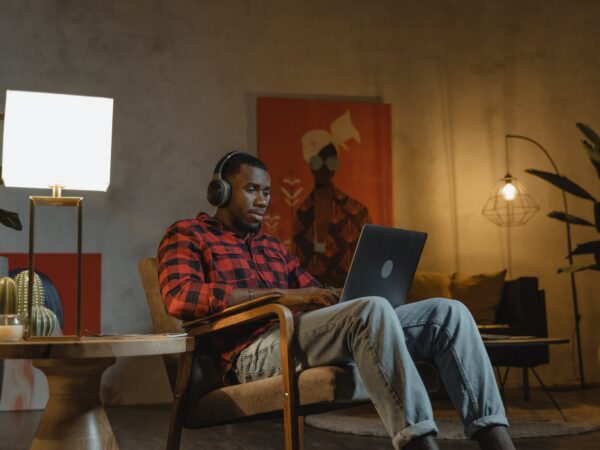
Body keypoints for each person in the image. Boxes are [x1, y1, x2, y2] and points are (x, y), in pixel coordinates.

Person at [157, 152, 515, 450]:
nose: (263, 200)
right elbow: (180, 297)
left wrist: (339, 297)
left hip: (294, 336)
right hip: (249, 354)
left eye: (266, 191)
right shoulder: (188, 234)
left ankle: (496, 438)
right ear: (220, 192)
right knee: (369, 311)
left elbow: (315, 296)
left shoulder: (272, 247)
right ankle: (420, 444)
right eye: (251, 189)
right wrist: (283, 296)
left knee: (447, 312)